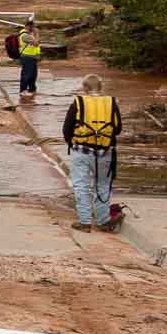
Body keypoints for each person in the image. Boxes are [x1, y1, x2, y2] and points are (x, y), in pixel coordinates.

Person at [63, 74, 123, 231]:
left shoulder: (78, 102)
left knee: (81, 186)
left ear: (85, 88)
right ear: (101, 87)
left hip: (81, 151)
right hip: (105, 152)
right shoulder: (112, 103)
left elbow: (67, 129)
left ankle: (85, 222)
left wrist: (73, 142)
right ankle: (103, 221)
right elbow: (117, 129)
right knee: (102, 186)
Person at [17, 19, 42, 97]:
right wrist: (37, 34)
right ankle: (23, 90)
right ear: (29, 26)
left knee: (33, 75)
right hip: (27, 57)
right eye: (33, 27)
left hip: (32, 57)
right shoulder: (25, 35)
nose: (35, 28)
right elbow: (36, 44)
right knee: (26, 75)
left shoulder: (29, 34)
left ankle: (32, 89)